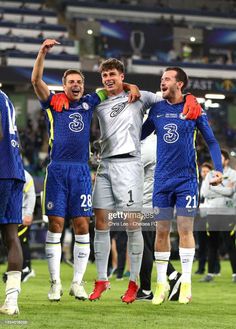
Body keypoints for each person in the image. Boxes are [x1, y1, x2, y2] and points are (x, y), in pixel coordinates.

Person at [50, 59, 202, 304]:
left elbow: (171, 97)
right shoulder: (98, 100)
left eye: (113, 74)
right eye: (105, 75)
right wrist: (60, 97)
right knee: (101, 222)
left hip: (130, 165)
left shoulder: (140, 97)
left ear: (122, 76)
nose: (108, 79)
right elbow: (78, 99)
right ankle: (101, 280)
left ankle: (135, 284)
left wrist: (191, 98)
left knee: (134, 225)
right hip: (105, 164)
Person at [31, 39, 139, 302]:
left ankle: (77, 283)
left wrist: (131, 85)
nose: (76, 85)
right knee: (56, 225)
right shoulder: (53, 103)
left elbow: (113, 86)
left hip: (81, 171)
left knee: (82, 225)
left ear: (83, 85)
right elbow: (36, 82)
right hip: (57, 171)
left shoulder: (92, 100)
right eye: (71, 82)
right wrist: (42, 52)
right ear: (64, 85)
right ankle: (55, 283)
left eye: (79, 81)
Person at [141, 66, 223, 305]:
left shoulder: (194, 109)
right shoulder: (156, 109)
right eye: (161, 79)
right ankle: (161, 283)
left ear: (180, 84)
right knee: (161, 232)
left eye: (167, 79)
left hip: (186, 179)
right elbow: (139, 134)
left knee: (185, 230)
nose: (162, 82)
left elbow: (212, 141)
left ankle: (185, 281)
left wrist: (217, 168)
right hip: (162, 180)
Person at [136, 132, 182, 302]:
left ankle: (147, 289)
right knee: (156, 246)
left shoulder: (148, 146)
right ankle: (173, 276)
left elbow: (133, 173)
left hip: (147, 203)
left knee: (146, 247)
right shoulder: (167, 145)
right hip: (163, 203)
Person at [0, 89, 25, 315]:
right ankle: (11, 301)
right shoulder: (5, 97)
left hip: (0, 171)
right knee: (11, 236)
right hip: (15, 171)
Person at [200, 149, 236, 283]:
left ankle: (235, 275)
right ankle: (210, 274)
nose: (217, 160)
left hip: (227, 213)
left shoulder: (233, 174)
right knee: (212, 244)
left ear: (226, 160)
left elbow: (231, 192)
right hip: (213, 213)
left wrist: (213, 187)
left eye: (220, 158)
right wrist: (224, 190)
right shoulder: (209, 174)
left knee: (230, 244)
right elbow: (205, 193)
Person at [19, 169, 36, 282]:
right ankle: (18, 268)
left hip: (22, 214)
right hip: (10, 214)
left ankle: (26, 268)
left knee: (21, 241)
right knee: (13, 242)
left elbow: (31, 195)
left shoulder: (25, 175)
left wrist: (28, 214)